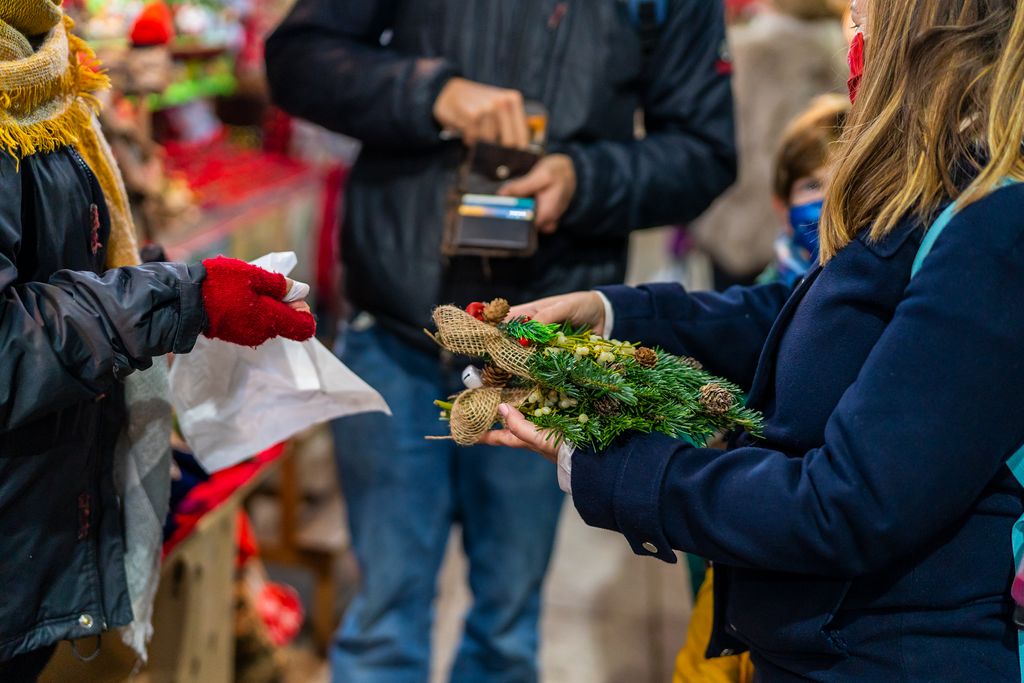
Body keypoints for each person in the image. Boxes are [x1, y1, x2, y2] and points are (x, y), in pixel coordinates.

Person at [486, 0, 1024, 679]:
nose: (851, 18)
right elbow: (814, 327)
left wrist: (603, 459)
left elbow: (845, 505)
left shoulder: (995, 223)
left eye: (867, 5)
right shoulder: (935, 186)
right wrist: (618, 314)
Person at [265, 1, 736, 681]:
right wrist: (433, 93)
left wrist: (583, 178)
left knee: (506, 625)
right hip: (394, 323)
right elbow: (298, 57)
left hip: (539, 355)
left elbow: (705, 151)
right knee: (383, 622)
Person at [0, 3, 315, 679]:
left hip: (33, 521)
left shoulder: (36, 54)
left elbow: (47, 262)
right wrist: (173, 299)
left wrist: (160, 279)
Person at [673, 93, 851, 683]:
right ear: (780, 204)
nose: (823, 201)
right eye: (808, 186)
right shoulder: (758, 302)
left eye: (839, 180)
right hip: (737, 536)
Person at [692, 0, 848, 291]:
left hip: (738, 224)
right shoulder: (840, 49)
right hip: (817, 222)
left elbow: (719, 140)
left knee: (734, 317)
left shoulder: (746, 50)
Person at [760, 93, 851, 286]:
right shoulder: (768, 297)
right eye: (812, 185)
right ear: (783, 208)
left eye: (844, 183)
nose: (829, 200)